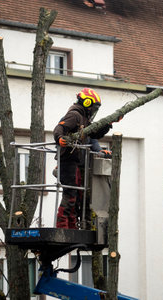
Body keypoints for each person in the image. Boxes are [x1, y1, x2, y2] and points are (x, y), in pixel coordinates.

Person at [53, 88, 113, 229]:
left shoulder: (83, 118)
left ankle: (72, 224)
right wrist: (60, 139)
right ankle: (62, 225)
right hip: (68, 160)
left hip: (75, 161)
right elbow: (58, 128)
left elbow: (94, 133)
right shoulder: (74, 115)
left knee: (77, 193)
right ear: (87, 103)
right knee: (71, 192)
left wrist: (109, 124)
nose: (94, 110)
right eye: (94, 107)